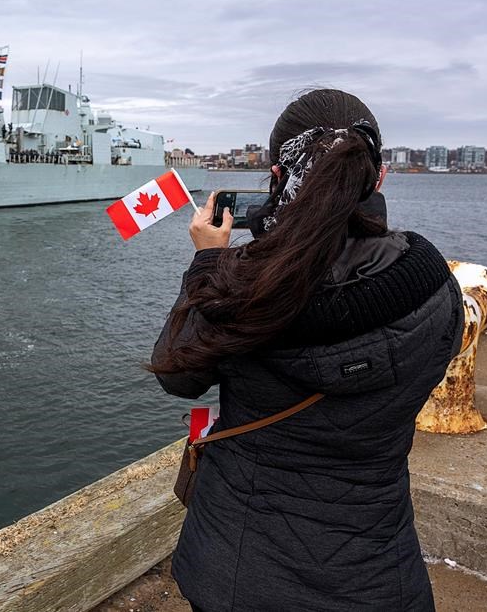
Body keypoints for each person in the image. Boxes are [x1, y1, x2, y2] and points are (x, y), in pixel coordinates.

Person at [151, 89, 463, 611]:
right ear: (376, 177)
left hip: (238, 568)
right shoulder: (432, 285)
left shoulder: (237, 290)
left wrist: (207, 265)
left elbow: (176, 375)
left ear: (276, 179)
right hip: (379, 571)